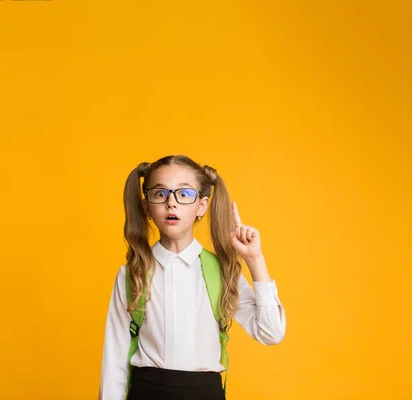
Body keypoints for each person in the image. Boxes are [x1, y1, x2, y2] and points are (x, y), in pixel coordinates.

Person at [98, 155, 286, 400]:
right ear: (146, 207)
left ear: (202, 205)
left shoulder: (222, 271)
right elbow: (114, 362)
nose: (171, 204)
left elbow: (271, 332)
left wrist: (254, 259)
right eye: (160, 193)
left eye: (184, 194)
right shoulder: (131, 274)